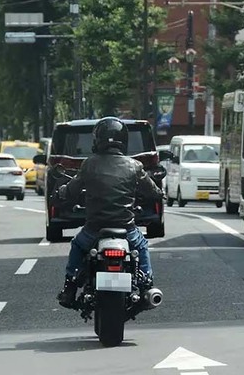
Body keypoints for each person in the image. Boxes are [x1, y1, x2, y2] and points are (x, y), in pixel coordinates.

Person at [53, 117, 164, 308]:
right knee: (143, 247)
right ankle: (147, 286)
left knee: (77, 246)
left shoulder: (89, 164)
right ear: (124, 140)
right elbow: (151, 190)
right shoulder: (134, 166)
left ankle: (69, 288)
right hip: (126, 228)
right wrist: (159, 194)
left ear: (97, 139)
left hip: (95, 228)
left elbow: (71, 189)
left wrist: (61, 193)